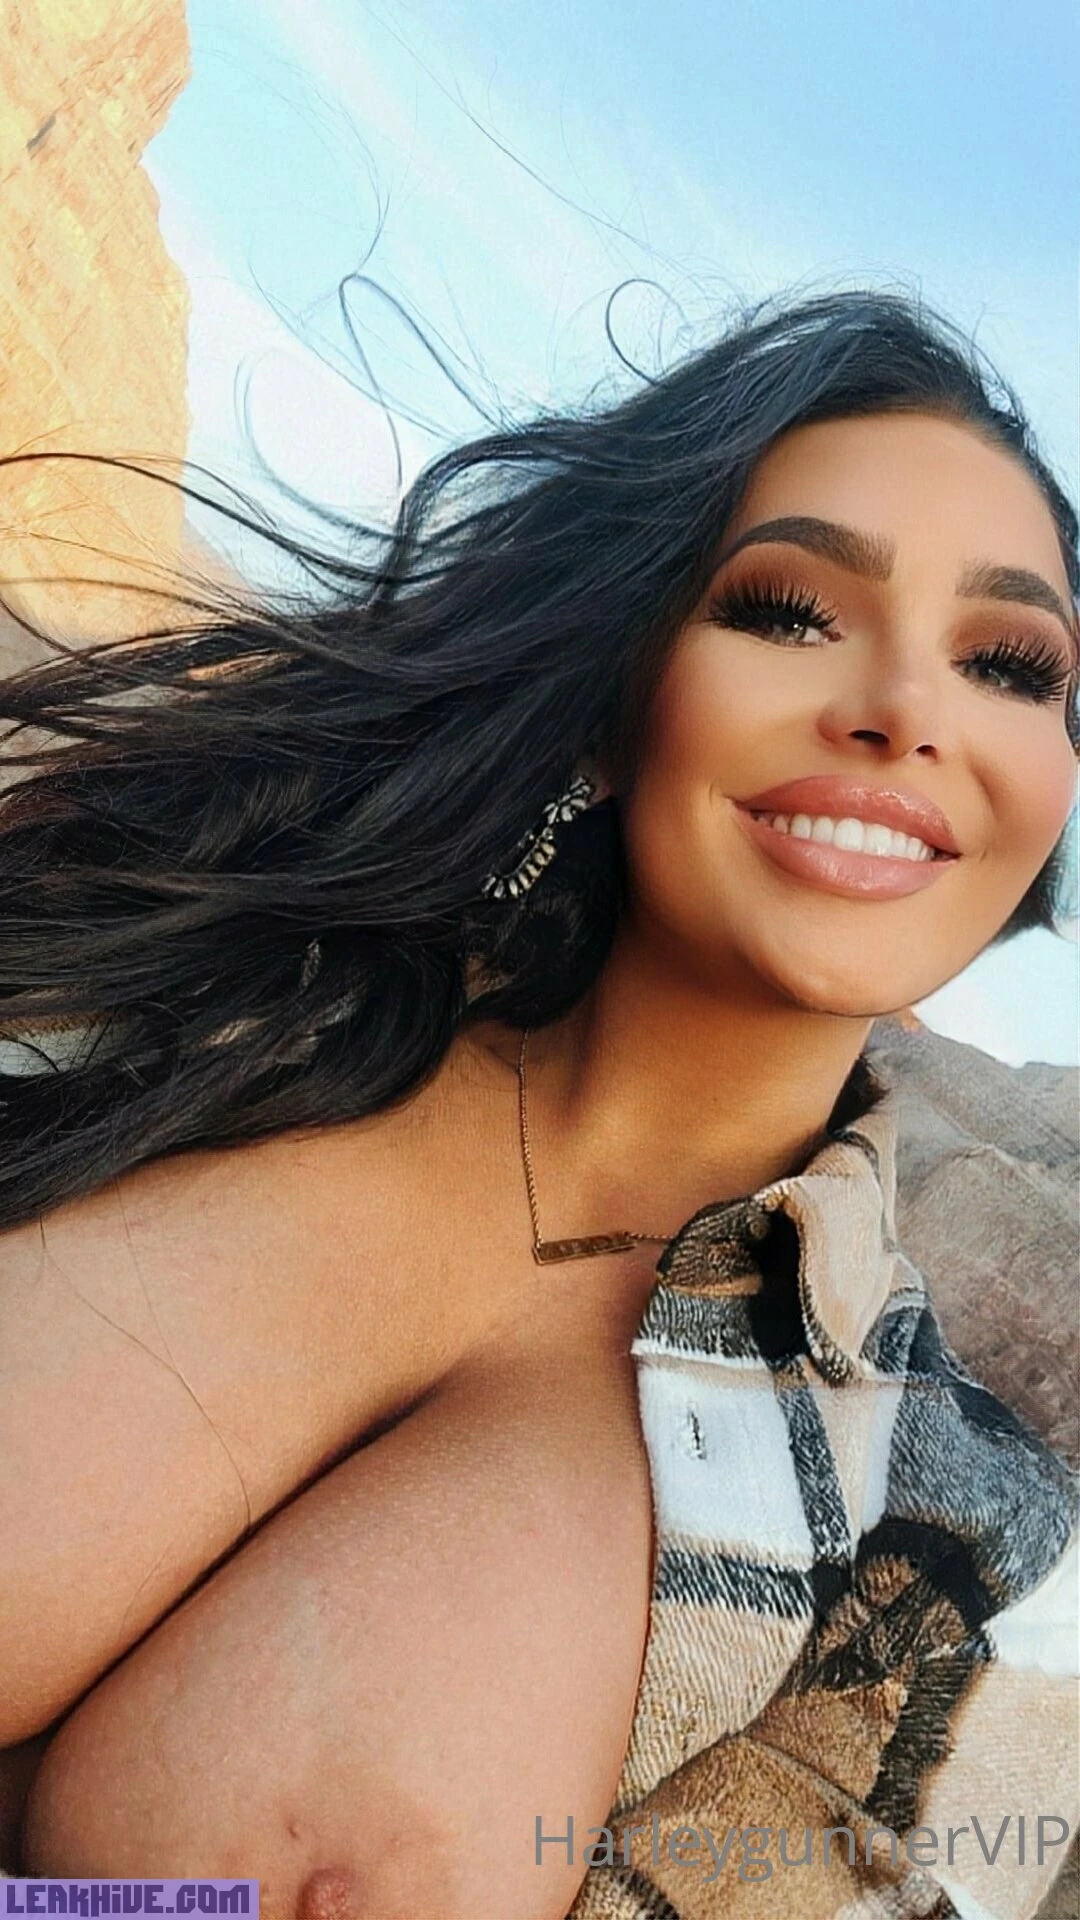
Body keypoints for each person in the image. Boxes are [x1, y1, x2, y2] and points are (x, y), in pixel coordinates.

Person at [0, 288, 1077, 1919]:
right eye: (791, 612)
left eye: (1006, 663)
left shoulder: (949, 1533)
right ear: (617, 695)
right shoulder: (203, 966)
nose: (906, 712)